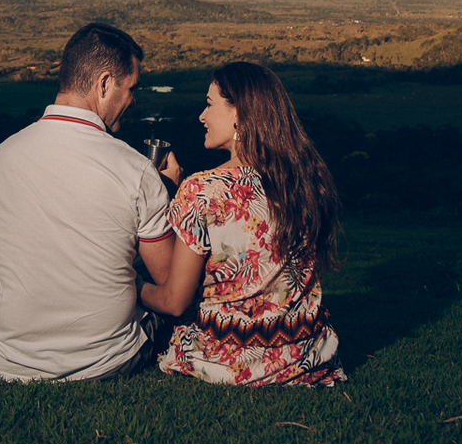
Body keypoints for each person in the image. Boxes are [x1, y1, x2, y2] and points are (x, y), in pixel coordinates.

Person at [0, 22, 181, 381]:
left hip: (9, 359)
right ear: (105, 84)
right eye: (131, 88)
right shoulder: (136, 170)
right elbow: (170, 282)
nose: (133, 101)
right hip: (110, 359)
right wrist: (167, 193)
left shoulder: (0, 157)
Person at [139, 61, 346, 386]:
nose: (201, 116)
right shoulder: (306, 181)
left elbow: (174, 302)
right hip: (303, 353)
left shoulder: (202, 189)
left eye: (209, 105)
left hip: (225, 357)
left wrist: (130, 288)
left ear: (240, 114)